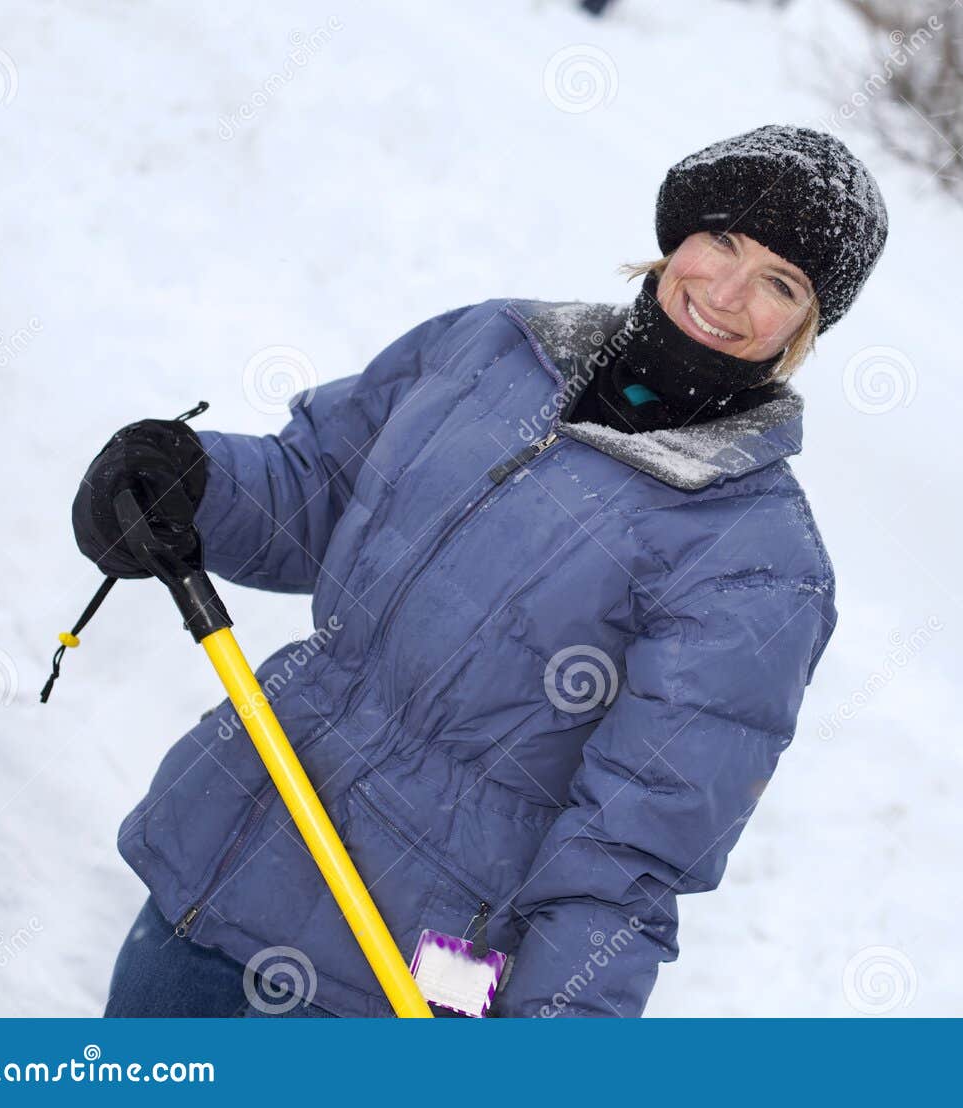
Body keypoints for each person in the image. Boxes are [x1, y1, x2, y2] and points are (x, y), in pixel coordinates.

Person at [74, 124, 889, 1018]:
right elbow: (321, 490)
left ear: (805, 328)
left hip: (380, 985)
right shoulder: (496, 349)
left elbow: (630, 857)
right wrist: (191, 484)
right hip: (224, 863)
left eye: (780, 282)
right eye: (723, 240)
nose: (727, 292)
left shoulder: (758, 562)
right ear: (677, 237)